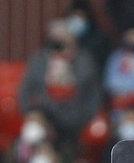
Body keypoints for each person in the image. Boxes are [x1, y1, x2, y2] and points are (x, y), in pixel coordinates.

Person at [20, 19, 102, 148]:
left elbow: (94, 93)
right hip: (45, 114)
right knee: (32, 132)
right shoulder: (39, 59)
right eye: (56, 36)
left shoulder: (85, 60)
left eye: (63, 36)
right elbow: (25, 89)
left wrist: (87, 116)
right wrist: (30, 112)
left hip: (76, 116)